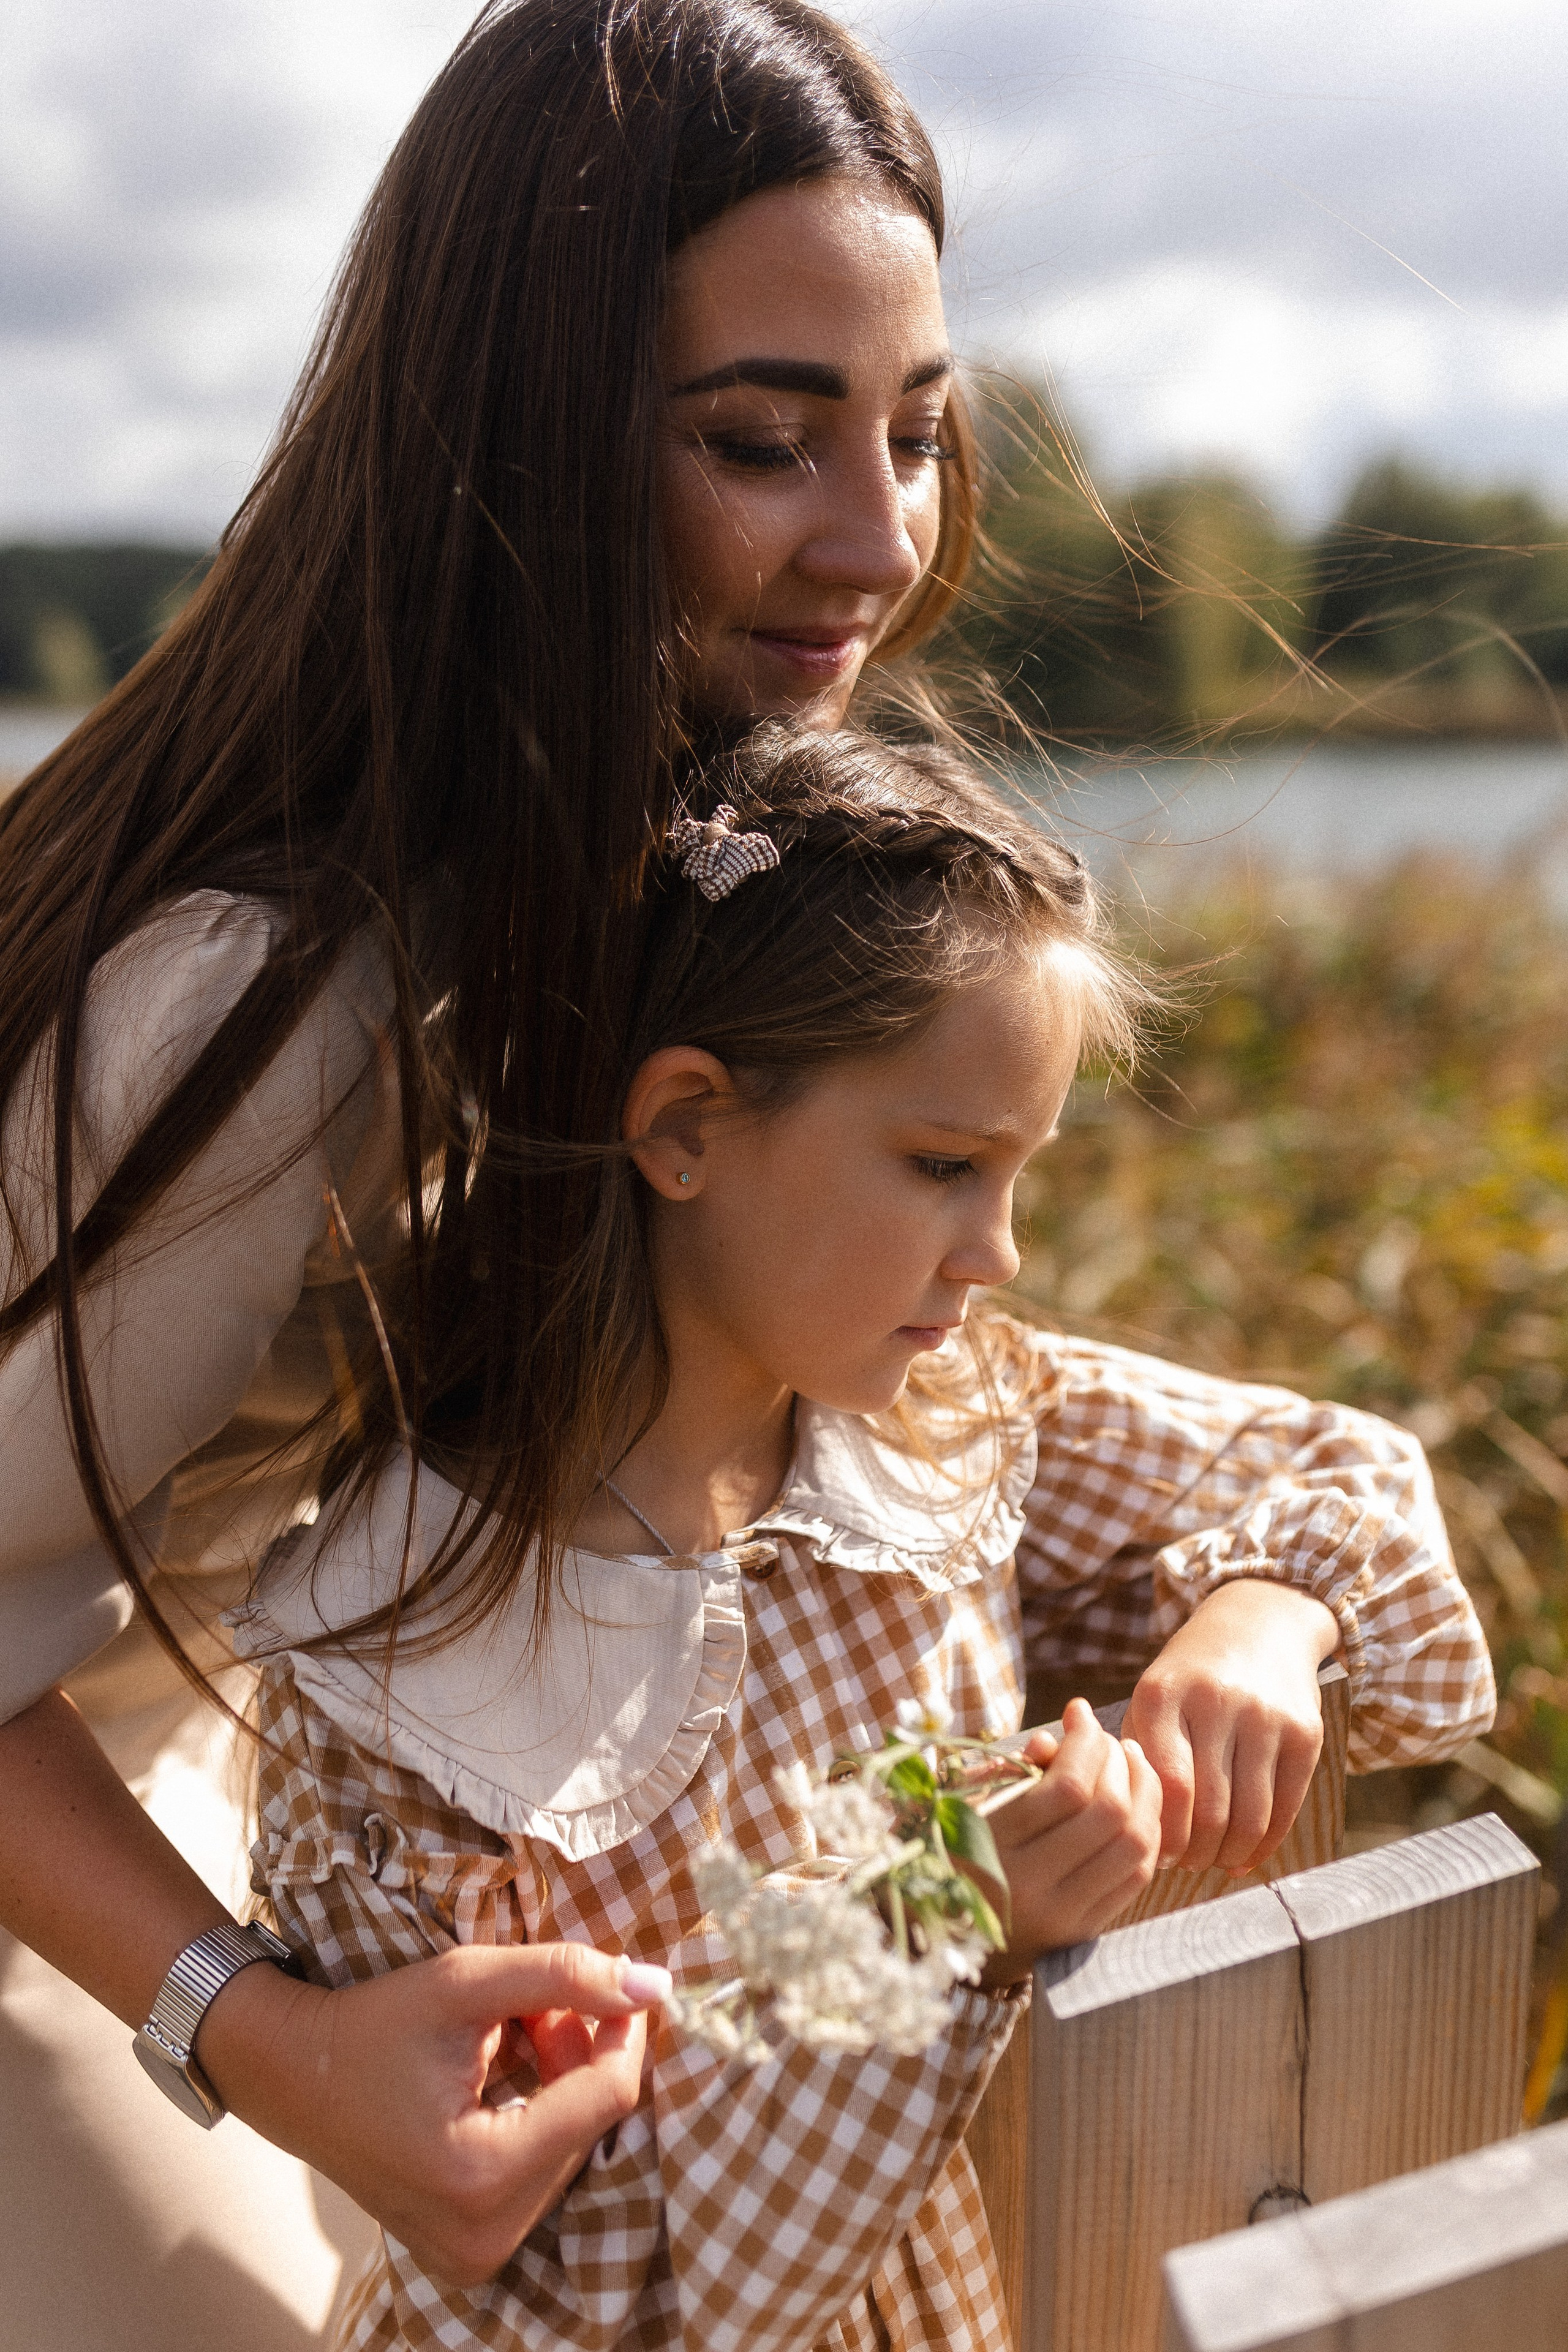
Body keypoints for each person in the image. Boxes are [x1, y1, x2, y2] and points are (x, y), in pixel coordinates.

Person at [0, 0, 1491, 2338]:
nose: (881, 539)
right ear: (524, 445)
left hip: (211, 1747)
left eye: (913, 433)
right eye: (760, 442)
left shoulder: (662, 871)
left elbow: (1276, 1495)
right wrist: (259, 2031)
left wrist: (1221, 1638)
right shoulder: (258, 1002)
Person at [232, 720, 1489, 2352]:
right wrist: (936, 1911)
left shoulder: (943, 1427)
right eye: (945, 1167)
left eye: (1019, 1176)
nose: (1001, 1254)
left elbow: (1344, 1473)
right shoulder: (402, 1673)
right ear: (682, 1125)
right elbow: (594, 2273)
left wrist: (1260, 1617)